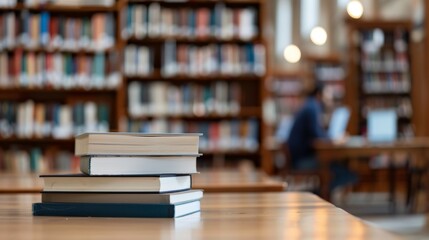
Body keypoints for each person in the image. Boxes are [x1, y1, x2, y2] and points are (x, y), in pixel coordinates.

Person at [286, 81, 357, 191]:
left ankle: (319, 193)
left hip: (301, 156)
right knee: (345, 173)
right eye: (327, 95)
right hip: (302, 160)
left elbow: (317, 134)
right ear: (319, 95)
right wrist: (334, 140)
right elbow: (318, 135)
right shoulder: (312, 107)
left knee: (338, 168)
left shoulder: (309, 105)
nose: (330, 99)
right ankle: (318, 193)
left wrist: (331, 139)